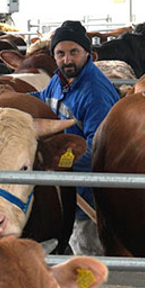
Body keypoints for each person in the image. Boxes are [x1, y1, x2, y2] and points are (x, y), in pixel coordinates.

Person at [37, 20, 120, 254]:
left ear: (87, 53)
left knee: (87, 251)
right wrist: (7, 95)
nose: (67, 60)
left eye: (74, 52)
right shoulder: (60, 79)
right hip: (67, 185)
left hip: (87, 194)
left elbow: (100, 148)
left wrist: (55, 160)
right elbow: (42, 97)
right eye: (60, 53)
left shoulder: (94, 92)